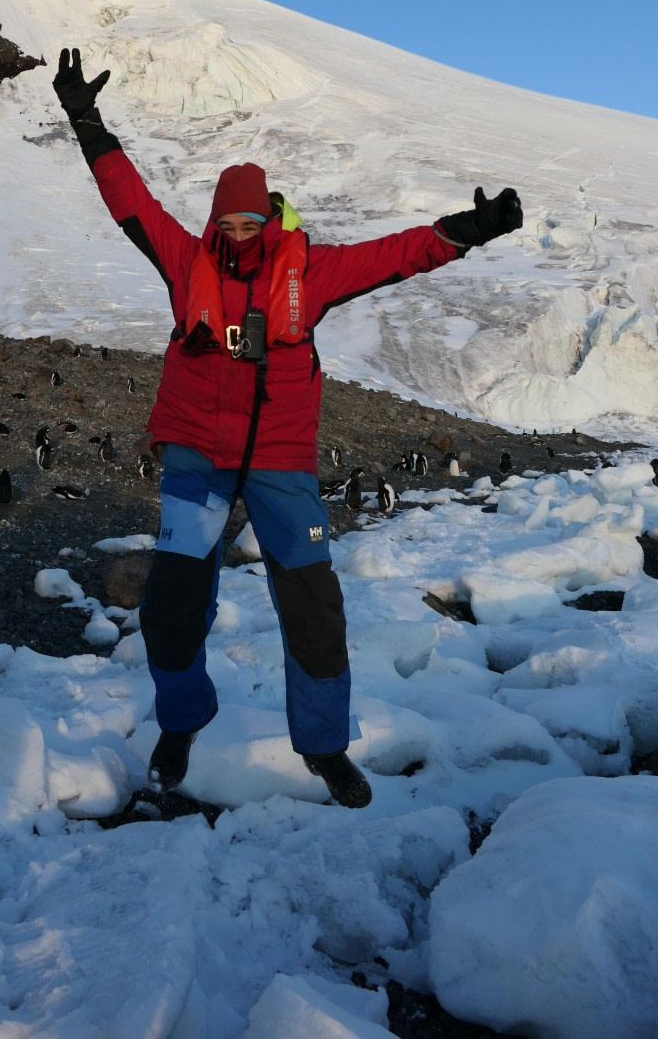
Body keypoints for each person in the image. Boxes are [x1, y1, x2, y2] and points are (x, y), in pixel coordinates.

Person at [53, 47, 523, 807]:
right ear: (213, 221)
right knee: (173, 609)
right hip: (198, 462)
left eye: (249, 218)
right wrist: (87, 120)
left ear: (268, 216)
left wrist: (468, 229)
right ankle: (182, 721)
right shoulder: (185, 261)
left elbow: (394, 256)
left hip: (279, 462)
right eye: (225, 220)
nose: (236, 232)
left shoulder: (311, 271)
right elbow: (129, 200)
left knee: (313, 611)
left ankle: (325, 746)